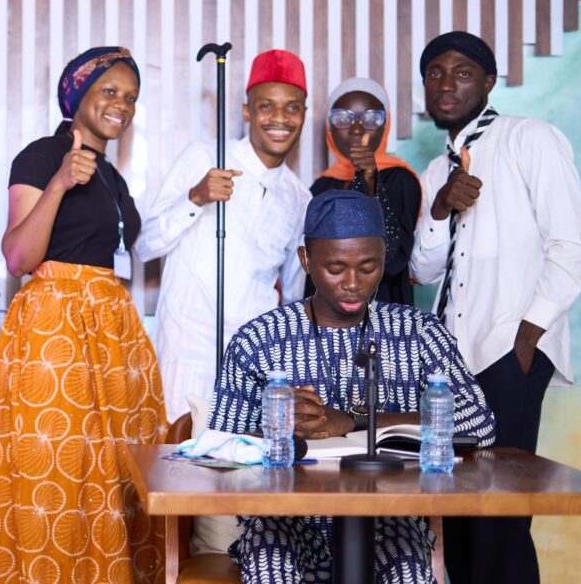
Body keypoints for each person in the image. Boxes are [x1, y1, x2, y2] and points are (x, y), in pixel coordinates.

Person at [208, 189, 497, 584]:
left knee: (410, 571)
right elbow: (218, 451)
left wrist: (354, 421)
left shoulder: (417, 332)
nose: (353, 284)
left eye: (368, 267)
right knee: (269, 566)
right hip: (285, 522)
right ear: (306, 260)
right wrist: (276, 428)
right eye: (336, 268)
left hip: (389, 520)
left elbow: (479, 425)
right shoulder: (259, 339)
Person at [0, 47, 167, 584]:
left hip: (111, 333)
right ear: (77, 95)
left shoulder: (113, 178)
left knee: (115, 478)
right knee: (57, 479)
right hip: (56, 330)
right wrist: (59, 182)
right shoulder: (41, 157)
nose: (121, 106)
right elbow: (18, 258)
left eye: (130, 98)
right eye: (109, 92)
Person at [409, 31, 581, 584]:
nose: (446, 84)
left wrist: (525, 340)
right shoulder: (434, 172)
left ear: (489, 82)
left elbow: (573, 246)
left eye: (462, 72)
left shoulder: (530, 139)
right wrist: (440, 208)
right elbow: (422, 270)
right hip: (451, 369)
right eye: (435, 73)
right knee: (457, 514)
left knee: (502, 516)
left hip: (507, 355)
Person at [135, 49, 311, 421]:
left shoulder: (300, 197)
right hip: (187, 352)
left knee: (241, 472)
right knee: (178, 469)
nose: (280, 118)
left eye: (292, 108)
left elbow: (293, 292)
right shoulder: (203, 157)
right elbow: (144, 245)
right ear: (247, 111)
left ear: (304, 116)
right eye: (267, 106)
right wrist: (196, 198)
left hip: (252, 361)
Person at [306, 78, 421, 305]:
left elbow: (392, 259)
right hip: (327, 322)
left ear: (386, 126)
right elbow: (313, 270)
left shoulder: (401, 180)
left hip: (385, 316)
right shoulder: (321, 186)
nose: (357, 128)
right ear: (329, 127)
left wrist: (370, 181)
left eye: (371, 119)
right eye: (343, 118)